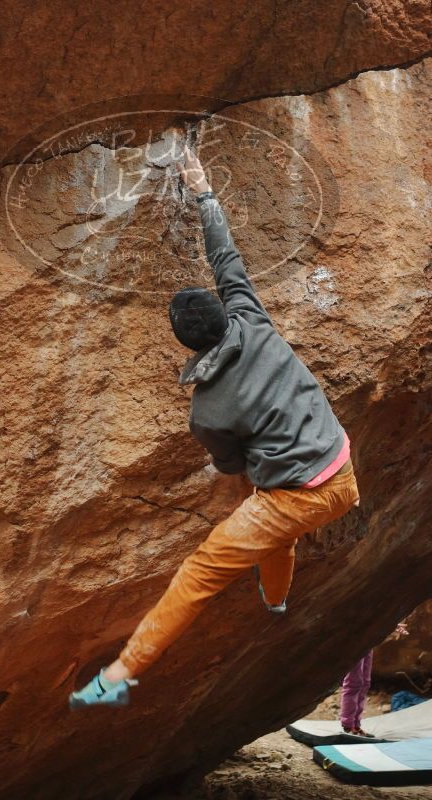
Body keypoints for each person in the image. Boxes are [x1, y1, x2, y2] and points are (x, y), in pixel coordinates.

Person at [69, 145, 361, 708]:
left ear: (186, 344)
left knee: (200, 572)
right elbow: (224, 255)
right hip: (343, 473)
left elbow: (232, 465)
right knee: (272, 509)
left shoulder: (206, 411)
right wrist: (201, 186)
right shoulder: (252, 317)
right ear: (226, 313)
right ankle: (275, 598)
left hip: (293, 496)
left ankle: (119, 676)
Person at [340, 623, 409, 736]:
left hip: (368, 642)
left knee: (365, 683)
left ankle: (356, 725)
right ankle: (348, 724)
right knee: (354, 683)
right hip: (356, 640)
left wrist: (392, 625)